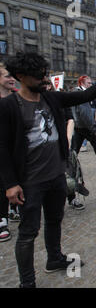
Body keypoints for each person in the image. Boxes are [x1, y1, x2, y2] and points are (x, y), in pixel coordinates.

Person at [0, 52, 96, 287]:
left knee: (54, 220)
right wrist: (10, 184)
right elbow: (1, 147)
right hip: (30, 181)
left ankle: (54, 258)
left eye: (45, 73)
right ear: (21, 76)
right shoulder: (8, 106)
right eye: (39, 76)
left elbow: (87, 94)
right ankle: (27, 282)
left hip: (55, 175)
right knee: (28, 232)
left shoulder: (51, 98)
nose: (44, 79)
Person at [0, 63, 20, 243]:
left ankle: (15, 209)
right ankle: (1, 220)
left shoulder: (17, 99)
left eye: (12, 76)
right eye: (7, 76)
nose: (12, 79)